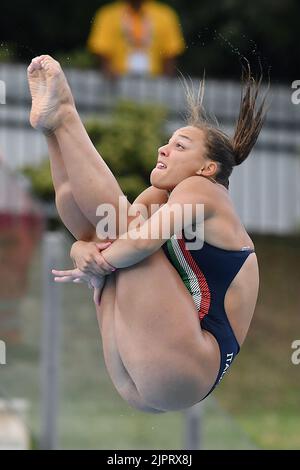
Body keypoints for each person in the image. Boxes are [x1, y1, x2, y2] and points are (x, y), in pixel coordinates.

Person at [27, 55, 266, 413]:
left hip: (188, 364)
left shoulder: (204, 189)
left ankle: (65, 117)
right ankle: (54, 130)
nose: (163, 149)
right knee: (102, 228)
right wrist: (82, 250)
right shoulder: (162, 198)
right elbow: (106, 236)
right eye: (167, 142)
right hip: (148, 374)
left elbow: (136, 241)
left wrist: (95, 262)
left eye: (180, 146)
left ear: (207, 167)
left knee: (118, 230)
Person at [87, 0, 185, 77]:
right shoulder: (108, 15)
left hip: (154, 81)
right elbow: (101, 50)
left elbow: (171, 54)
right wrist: (108, 72)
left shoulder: (165, 16)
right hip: (116, 81)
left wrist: (164, 84)